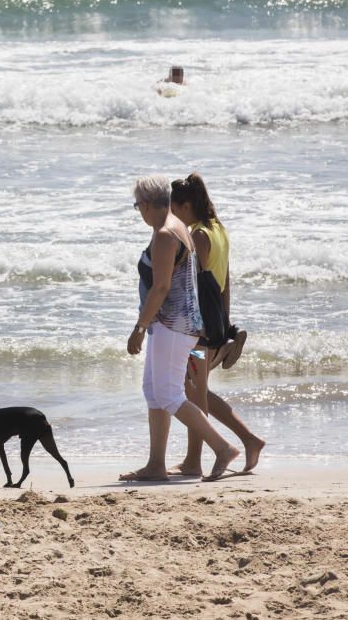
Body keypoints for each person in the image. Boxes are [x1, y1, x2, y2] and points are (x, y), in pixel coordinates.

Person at [121, 176, 240, 482]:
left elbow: (160, 287)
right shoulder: (180, 227)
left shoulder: (164, 234)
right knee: (153, 391)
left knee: (170, 395)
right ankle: (156, 465)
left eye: (138, 206)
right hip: (180, 325)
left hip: (172, 326)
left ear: (147, 204)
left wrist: (139, 326)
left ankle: (222, 447)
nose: (139, 212)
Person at [168, 175, 265, 474]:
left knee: (192, 392)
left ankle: (195, 461)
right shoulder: (218, 230)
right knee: (198, 391)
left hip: (199, 330)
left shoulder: (197, 235)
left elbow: (192, 286)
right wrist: (224, 322)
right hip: (213, 324)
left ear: (185, 206)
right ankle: (249, 440)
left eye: (173, 208)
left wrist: (193, 328)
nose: (171, 214)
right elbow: (225, 281)